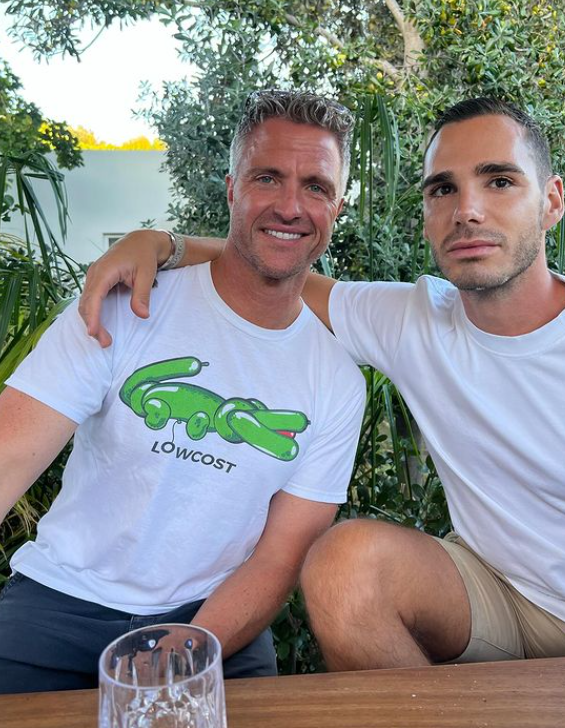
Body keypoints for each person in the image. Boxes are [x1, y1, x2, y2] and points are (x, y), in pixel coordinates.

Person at [76, 97, 565, 670]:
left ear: (551, 202)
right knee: (344, 564)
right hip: (495, 596)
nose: (467, 211)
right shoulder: (413, 321)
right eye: (443, 189)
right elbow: (274, 268)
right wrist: (160, 244)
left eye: (499, 181)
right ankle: (423, 712)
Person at [0, 89, 366, 694]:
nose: (290, 206)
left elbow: (280, 555)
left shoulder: (336, 381)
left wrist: (193, 643)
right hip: (60, 600)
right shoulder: (126, 302)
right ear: (232, 189)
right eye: (267, 178)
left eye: (316, 187)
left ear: (337, 207)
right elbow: (8, 454)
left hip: (215, 615)